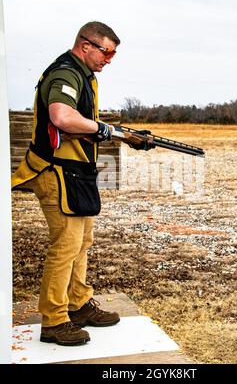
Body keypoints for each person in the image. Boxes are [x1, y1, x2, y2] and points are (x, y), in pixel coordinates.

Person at [11, 21, 128, 346]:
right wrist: (102, 128)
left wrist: (115, 133)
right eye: (107, 52)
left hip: (75, 173)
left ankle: (77, 304)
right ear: (86, 45)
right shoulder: (66, 73)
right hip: (55, 171)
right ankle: (54, 320)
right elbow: (61, 117)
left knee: (81, 240)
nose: (109, 59)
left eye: (113, 54)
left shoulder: (83, 75)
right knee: (65, 245)